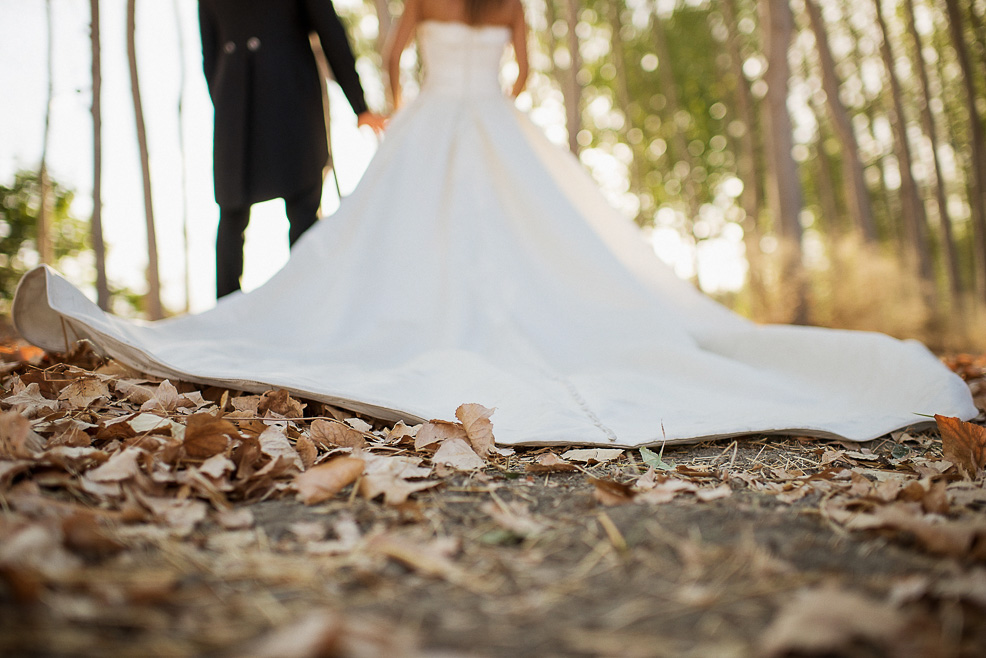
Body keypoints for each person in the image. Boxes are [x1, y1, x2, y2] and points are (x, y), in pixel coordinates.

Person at [12, 0, 977, 447]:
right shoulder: (508, 4)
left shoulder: (421, 3)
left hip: (435, 120)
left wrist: (403, 103)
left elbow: (397, 64)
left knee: (388, 247)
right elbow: (517, 77)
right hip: (491, 123)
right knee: (538, 244)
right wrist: (485, 94)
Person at [198, 0, 387, 298]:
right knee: (301, 207)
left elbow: (210, 57)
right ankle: (304, 303)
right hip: (289, 93)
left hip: (235, 103)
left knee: (235, 214)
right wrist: (359, 105)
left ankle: (225, 310)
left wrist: (226, 99)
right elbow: (330, 32)